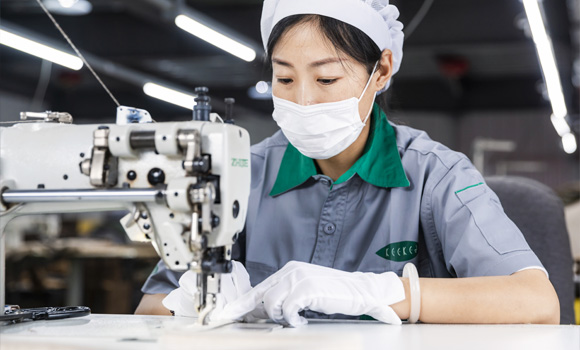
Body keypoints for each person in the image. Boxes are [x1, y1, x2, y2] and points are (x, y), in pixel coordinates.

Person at [135, 0, 560, 325]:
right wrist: (194, 304)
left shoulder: (436, 176)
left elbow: (537, 303)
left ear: (381, 71)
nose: (302, 100)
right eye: (283, 79)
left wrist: (380, 293)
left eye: (326, 79)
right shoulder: (240, 174)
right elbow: (150, 311)